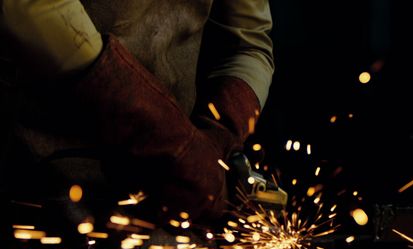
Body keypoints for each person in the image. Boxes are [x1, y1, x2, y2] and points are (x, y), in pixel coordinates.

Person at [0, 0, 274, 222]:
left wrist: (219, 137)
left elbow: (248, 42)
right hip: (34, 203)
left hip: (167, 227)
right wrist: (170, 140)